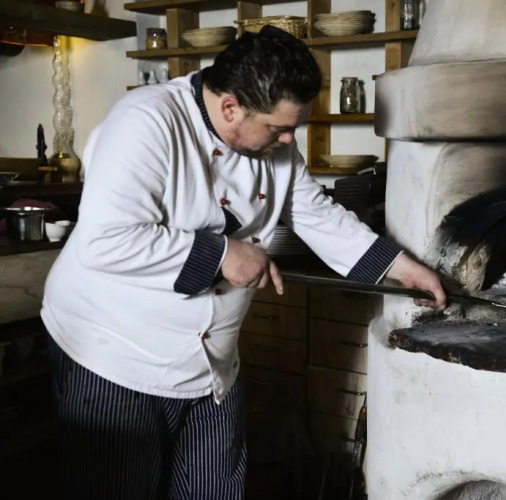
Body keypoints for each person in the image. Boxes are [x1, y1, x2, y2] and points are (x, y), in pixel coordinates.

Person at [41, 26, 446, 500]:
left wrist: (401, 268)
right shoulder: (145, 122)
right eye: (278, 128)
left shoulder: (274, 140)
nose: (290, 139)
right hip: (114, 351)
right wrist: (224, 253)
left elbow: (315, 213)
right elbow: (105, 240)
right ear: (231, 107)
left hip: (211, 362)